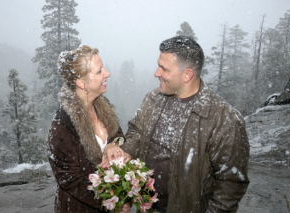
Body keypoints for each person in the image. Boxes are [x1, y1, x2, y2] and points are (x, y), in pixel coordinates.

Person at [101, 36, 250, 212]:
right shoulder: (153, 99)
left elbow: (230, 185)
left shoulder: (224, 119)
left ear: (187, 74)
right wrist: (126, 151)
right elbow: (137, 133)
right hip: (148, 208)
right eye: (158, 65)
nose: (156, 73)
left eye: (164, 69)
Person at [48, 45, 129, 213]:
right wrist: (111, 200)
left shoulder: (102, 104)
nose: (107, 73)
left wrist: (112, 145)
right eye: (99, 71)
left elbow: (118, 135)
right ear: (81, 82)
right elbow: (71, 180)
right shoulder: (62, 126)